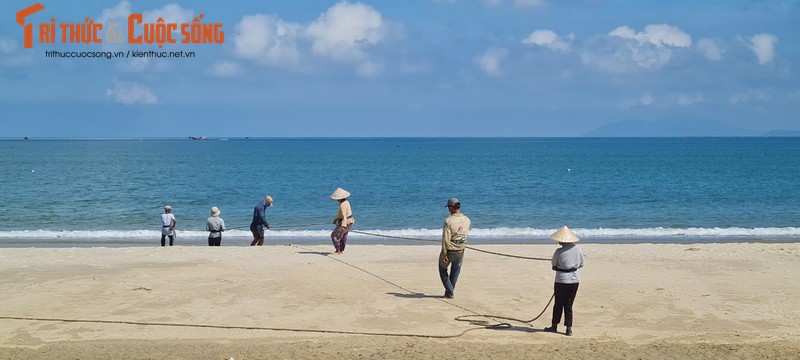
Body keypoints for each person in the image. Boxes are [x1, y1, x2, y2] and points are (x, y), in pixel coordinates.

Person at [544, 225, 585, 336]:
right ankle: (569, 329)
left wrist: (558, 267)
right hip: (575, 280)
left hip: (561, 280)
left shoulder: (558, 251)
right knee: (568, 305)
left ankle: (554, 326)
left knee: (558, 304)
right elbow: (581, 264)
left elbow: (554, 264)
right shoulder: (578, 249)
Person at [439, 198, 470, 299]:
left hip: (450, 249)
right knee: (455, 271)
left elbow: (446, 239)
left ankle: (450, 291)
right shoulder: (467, 220)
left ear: (451, 208)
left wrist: (444, 253)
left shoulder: (448, 221)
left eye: (448, 207)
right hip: (461, 249)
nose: (448, 209)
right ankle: (449, 292)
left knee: (442, 268)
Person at [330, 187, 354, 254]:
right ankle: (341, 249)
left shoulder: (342, 205)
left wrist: (343, 225)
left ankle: (338, 250)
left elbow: (344, 216)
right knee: (343, 235)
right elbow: (344, 214)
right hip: (350, 221)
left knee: (334, 235)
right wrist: (336, 219)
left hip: (346, 222)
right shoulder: (346, 202)